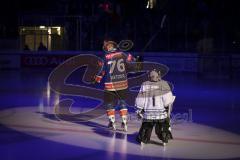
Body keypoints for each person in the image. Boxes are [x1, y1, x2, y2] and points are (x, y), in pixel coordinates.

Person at [93, 39, 135, 131]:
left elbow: (102, 71)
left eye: (105, 45)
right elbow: (131, 64)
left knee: (109, 103)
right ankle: (124, 122)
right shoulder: (123, 54)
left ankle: (112, 122)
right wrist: (134, 59)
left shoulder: (104, 57)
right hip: (122, 84)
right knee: (122, 102)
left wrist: (97, 79)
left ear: (108, 46)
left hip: (110, 85)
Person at [135, 69, 175, 145]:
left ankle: (143, 138)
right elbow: (168, 100)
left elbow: (140, 99)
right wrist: (167, 108)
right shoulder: (164, 84)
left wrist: (139, 109)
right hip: (160, 112)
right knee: (162, 125)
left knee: (147, 126)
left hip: (148, 113)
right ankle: (164, 137)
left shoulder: (145, 84)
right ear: (159, 75)